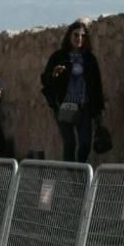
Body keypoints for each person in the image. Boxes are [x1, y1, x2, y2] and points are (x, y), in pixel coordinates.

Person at [40, 20, 106, 163]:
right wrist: (54, 74)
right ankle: (71, 180)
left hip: (84, 106)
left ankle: (80, 172)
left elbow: (96, 85)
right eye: (76, 35)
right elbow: (45, 80)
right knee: (69, 144)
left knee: (85, 144)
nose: (79, 39)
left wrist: (98, 110)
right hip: (64, 106)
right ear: (69, 36)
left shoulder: (89, 59)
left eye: (82, 36)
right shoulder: (59, 56)